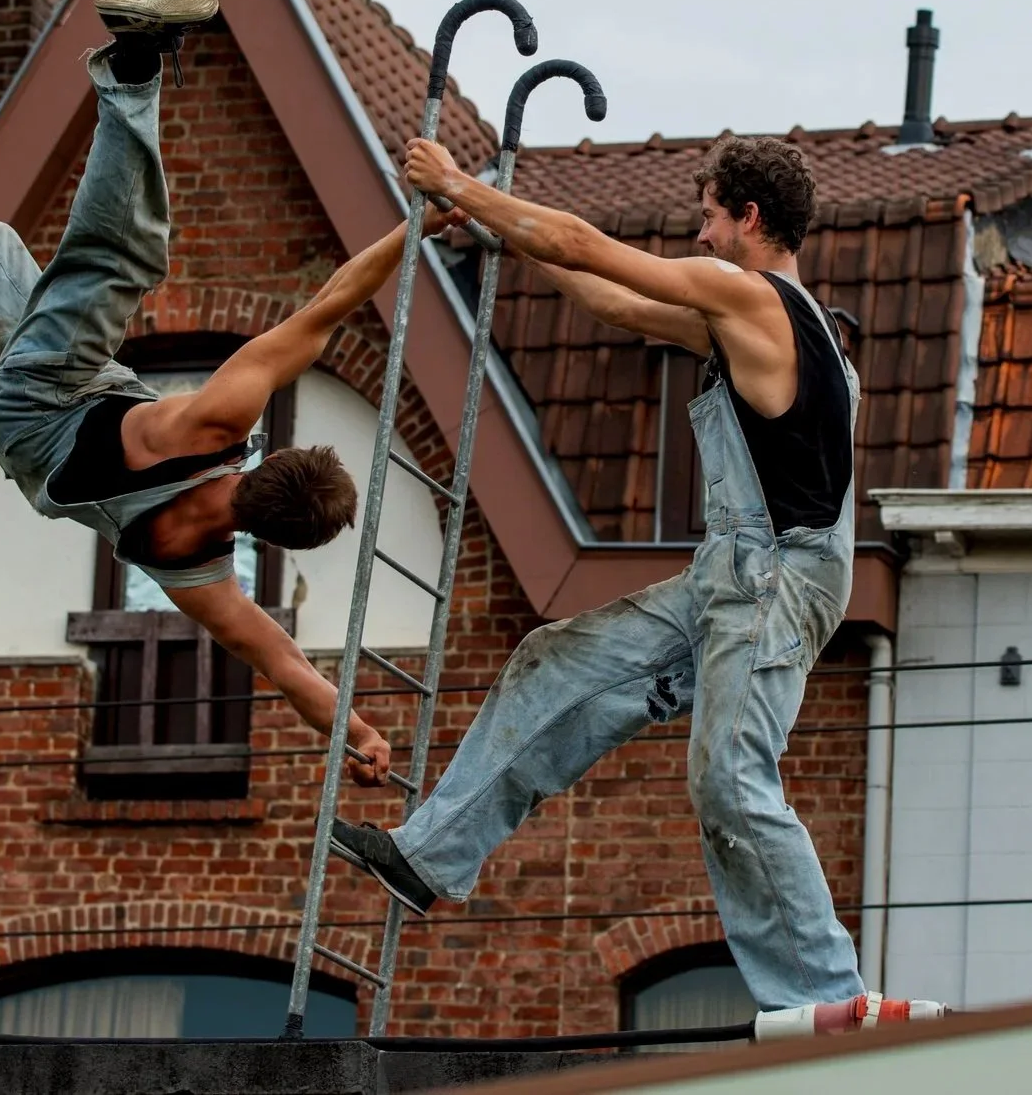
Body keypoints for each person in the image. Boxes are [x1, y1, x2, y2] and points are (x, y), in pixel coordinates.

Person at [0, 0, 423, 790]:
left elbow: (326, 311)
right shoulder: (201, 575)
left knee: (120, 260)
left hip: (51, 393)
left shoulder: (212, 427)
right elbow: (286, 668)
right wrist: (358, 732)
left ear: (259, 461)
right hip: (30, 453)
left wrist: (417, 225)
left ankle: (133, 67)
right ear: (266, 541)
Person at [326, 133, 877, 1015]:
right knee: (558, 660)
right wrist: (499, 226)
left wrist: (457, 182)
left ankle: (830, 1000)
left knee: (731, 777)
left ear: (750, 217)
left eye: (707, 219)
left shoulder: (754, 299)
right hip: (730, 576)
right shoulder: (744, 319)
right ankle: (431, 856)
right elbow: (605, 292)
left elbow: (587, 244)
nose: (698, 238)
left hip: (773, 580)